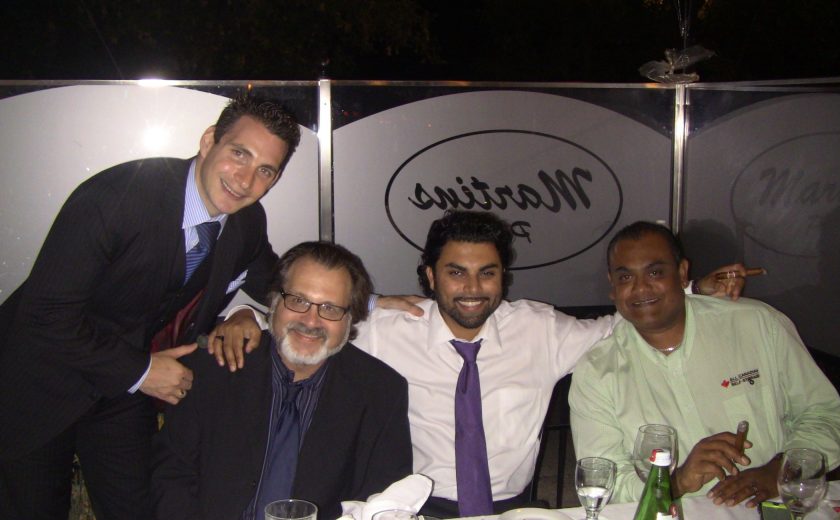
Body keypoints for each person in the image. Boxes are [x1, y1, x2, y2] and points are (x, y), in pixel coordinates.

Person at [217, 210, 745, 518]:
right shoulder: (387, 329)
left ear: (503, 278)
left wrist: (694, 291)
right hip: (417, 507)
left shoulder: (540, 329)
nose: (472, 288)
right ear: (430, 276)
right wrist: (245, 316)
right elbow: (310, 322)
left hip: (514, 510)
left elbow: (622, 323)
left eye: (487, 273)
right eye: (456, 273)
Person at [0, 96, 300, 519]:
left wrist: (246, 312)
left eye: (266, 170)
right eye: (239, 153)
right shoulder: (116, 198)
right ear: (209, 141)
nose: (246, 179)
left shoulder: (246, 222)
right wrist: (141, 371)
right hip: (40, 379)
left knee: (140, 509)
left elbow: (279, 286)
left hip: (120, 391)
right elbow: (44, 315)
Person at [569, 221, 840, 507]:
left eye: (655, 272)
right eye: (625, 277)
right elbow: (604, 483)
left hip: (775, 504)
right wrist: (677, 482)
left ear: (682, 273)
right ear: (612, 286)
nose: (641, 287)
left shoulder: (757, 325)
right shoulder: (597, 372)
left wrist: (781, 471)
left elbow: (824, 414)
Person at [151, 241, 412, 520]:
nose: (311, 321)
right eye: (298, 301)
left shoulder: (380, 392)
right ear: (274, 301)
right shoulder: (215, 367)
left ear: (350, 319)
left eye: (330, 308)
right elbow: (172, 475)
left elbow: (383, 500)